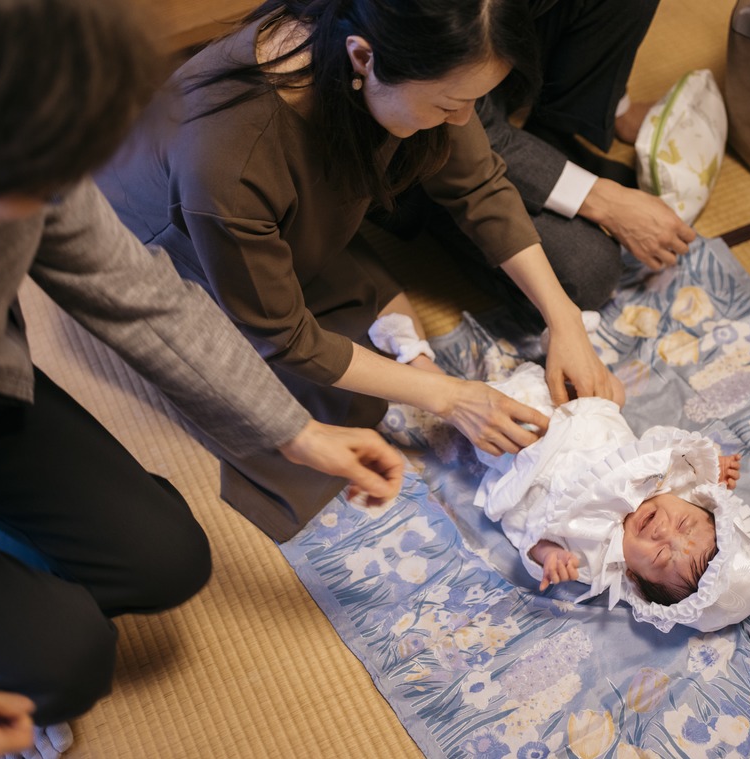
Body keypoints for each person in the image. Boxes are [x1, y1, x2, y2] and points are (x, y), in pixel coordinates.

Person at [0, 0, 404, 757]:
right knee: (64, 664)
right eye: (40, 186)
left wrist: (296, 432)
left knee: (168, 558)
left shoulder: (19, 113)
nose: (58, 197)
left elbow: (143, 299)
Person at [97, 0, 625, 542]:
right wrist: (452, 397)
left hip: (274, 213)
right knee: (337, 411)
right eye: (450, 104)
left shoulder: (406, 50)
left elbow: (477, 183)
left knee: (388, 332)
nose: (465, 119)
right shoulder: (230, 159)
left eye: (473, 101)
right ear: (364, 59)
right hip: (170, 248)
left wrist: (565, 320)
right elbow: (284, 336)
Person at [374, 0, 699, 309]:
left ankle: (557, 138)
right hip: (427, 134)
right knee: (588, 269)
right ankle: (437, 205)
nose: (462, 118)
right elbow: (472, 153)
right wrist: (603, 200)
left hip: (472, 90)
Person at [473, 362, 750, 633]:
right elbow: (676, 448)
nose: (662, 531)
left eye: (660, 555)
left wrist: (550, 555)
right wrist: (712, 466)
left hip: (526, 452)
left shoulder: (598, 559)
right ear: (695, 503)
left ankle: (434, 371)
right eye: (683, 524)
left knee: (494, 414)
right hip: (586, 412)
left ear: (634, 577)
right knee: (611, 388)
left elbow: (536, 538)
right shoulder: (669, 482)